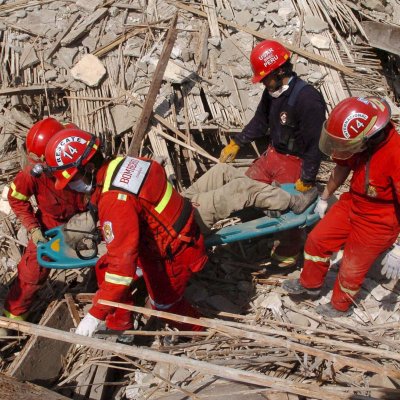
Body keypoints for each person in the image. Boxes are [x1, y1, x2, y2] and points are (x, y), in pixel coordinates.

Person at [43, 128, 208, 337]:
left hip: (172, 255)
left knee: (166, 307)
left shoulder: (115, 201)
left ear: (90, 168)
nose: (73, 187)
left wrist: (95, 314)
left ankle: (201, 332)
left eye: (74, 179)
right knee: (104, 267)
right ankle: (120, 323)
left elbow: (122, 271)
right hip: (164, 237)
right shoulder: (123, 164)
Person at [282, 96, 400, 317]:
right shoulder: (360, 140)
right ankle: (311, 284)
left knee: (351, 267)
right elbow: (341, 168)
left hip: (380, 218)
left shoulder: (396, 154)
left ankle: (340, 306)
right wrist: (325, 197)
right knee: (317, 240)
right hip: (353, 202)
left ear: (370, 137)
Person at [219, 40, 326, 267]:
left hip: (296, 162)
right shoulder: (273, 92)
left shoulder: (308, 100)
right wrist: (237, 142)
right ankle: (257, 231)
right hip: (274, 154)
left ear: (280, 71)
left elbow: (315, 145)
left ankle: (288, 251)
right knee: (245, 187)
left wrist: (307, 178)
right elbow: (260, 121)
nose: (263, 84)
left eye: (265, 78)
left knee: (287, 208)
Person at [0, 118, 89, 337]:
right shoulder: (34, 171)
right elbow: (16, 198)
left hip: (91, 215)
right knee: (31, 272)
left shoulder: (76, 149)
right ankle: (12, 322)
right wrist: (33, 227)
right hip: (52, 223)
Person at [183, 163, 318, 234]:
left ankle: (263, 203)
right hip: (183, 220)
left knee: (222, 170)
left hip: (180, 201)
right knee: (241, 187)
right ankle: (294, 202)